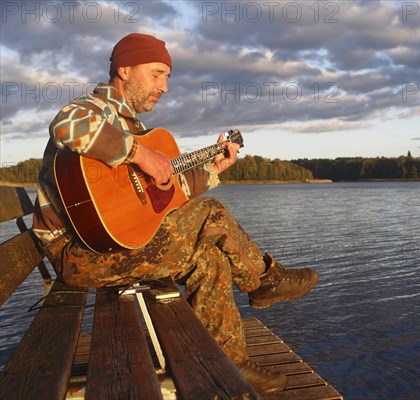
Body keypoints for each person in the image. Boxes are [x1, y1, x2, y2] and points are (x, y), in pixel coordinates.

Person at [32, 33, 318, 395]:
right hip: (77, 254)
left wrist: (213, 169)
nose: (164, 86)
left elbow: (165, 200)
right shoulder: (98, 109)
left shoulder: (133, 127)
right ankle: (264, 280)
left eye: (167, 77)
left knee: (210, 255)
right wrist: (139, 154)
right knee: (211, 214)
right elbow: (65, 125)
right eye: (156, 74)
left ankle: (229, 362)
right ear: (124, 69)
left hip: (107, 246)